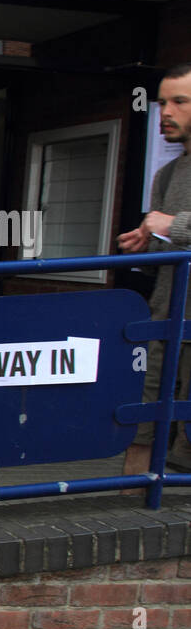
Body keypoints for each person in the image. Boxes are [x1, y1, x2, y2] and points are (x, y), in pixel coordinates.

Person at [118, 62, 191, 476]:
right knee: (142, 418)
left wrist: (174, 225)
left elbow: (177, 230)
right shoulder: (167, 173)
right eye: (163, 101)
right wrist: (145, 248)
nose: (165, 111)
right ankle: (126, 512)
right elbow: (169, 256)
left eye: (179, 101)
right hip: (165, 319)